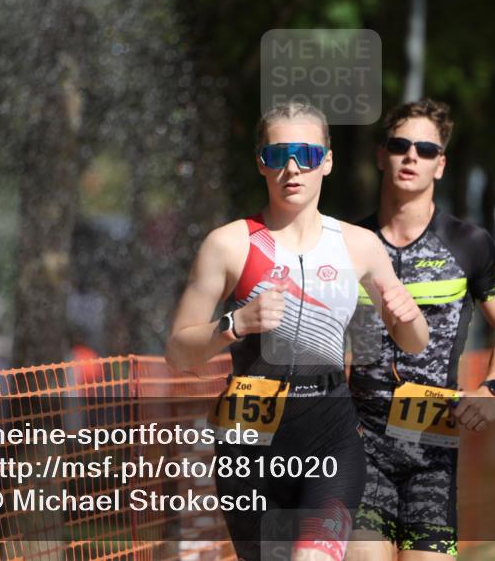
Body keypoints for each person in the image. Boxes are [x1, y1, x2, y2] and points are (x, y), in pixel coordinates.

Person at [166, 102, 430, 561]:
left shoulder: (359, 245)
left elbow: (415, 342)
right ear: (260, 162)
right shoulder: (229, 244)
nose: (292, 168)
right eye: (278, 155)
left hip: (329, 435)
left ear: (327, 161)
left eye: (306, 155)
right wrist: (235, 324)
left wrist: (408, 317)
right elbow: (178, 351)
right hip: (247, 439)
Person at [345, 99, 495, 560]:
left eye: (425, 149)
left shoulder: (470, 244)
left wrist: (491, 390)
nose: (411, 157)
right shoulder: (347, 244)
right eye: (400, 145)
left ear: (440, 165)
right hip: (362, 443)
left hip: (432, 451)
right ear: (380, 155)